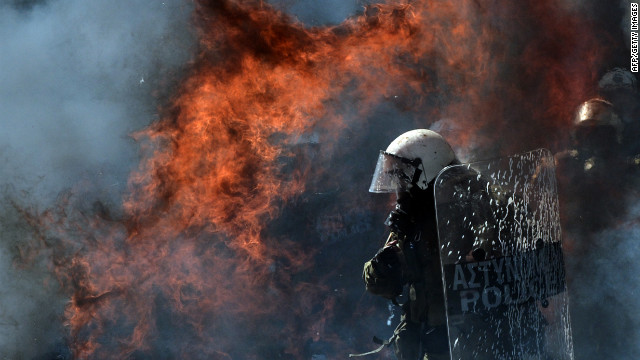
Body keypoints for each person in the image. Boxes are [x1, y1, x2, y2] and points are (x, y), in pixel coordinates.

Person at [361, 129, 458, 360]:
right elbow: (376, 285)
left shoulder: (473, 208)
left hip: (474, 338)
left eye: (402, 177)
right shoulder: (411, 219)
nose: (398, 188)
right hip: (432, 344)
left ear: (428, 170)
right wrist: (384, 267)